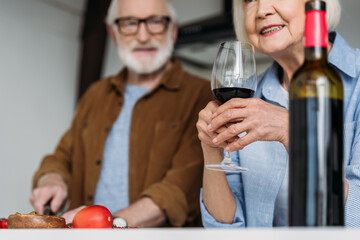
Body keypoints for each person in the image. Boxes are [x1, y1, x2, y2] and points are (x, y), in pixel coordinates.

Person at [30, 0, 212, 228]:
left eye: (155, 22)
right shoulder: (96, 94)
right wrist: (52, 180)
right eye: (130, 23)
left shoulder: (203, 95)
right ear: (113, 34)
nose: (143, 36)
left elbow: (179, 190)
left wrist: (111, 226)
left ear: (172, 31)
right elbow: (62, 157)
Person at [197, 0, 360, 227]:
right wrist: (211, 148)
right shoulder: (248, 99)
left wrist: (293, 132)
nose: (262, 10)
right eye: (250, 0)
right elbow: (224, 229)